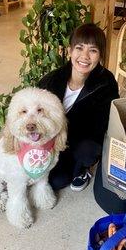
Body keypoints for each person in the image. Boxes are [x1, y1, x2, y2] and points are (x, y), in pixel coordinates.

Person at [38, 23, 119, 192]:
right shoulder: (51, 80)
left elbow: (101, 126)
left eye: (93, 50)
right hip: (51, 140)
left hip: (80, 142)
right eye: (79, 48)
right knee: (48, 179)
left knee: (60, 178)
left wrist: (64, 135)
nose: (85, 56)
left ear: (100, 55)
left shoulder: (106, 83)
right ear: (69, 51)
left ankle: (83, 169)